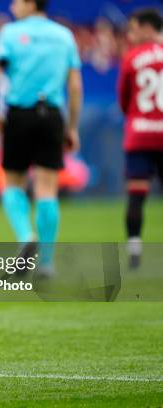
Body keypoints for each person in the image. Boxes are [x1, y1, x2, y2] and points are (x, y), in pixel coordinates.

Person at [0, 0, 82, 276]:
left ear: (30, 3)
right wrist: (72, 127)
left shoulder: (10, 33)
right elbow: (75, 86)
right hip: (52, 114)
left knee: (13, 182)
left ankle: (26, 236)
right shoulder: (64, 36)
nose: (12, 5)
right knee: (47, 189)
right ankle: (47, 264)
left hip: (19, 115)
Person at [118, 8, 163, 268]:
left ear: (148, 28)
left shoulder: (132, 58)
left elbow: (124, 99)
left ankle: (134, 250)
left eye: (134, 29)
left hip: (140, 135)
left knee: (137, 195)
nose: (131, 35)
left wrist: (137, 118)